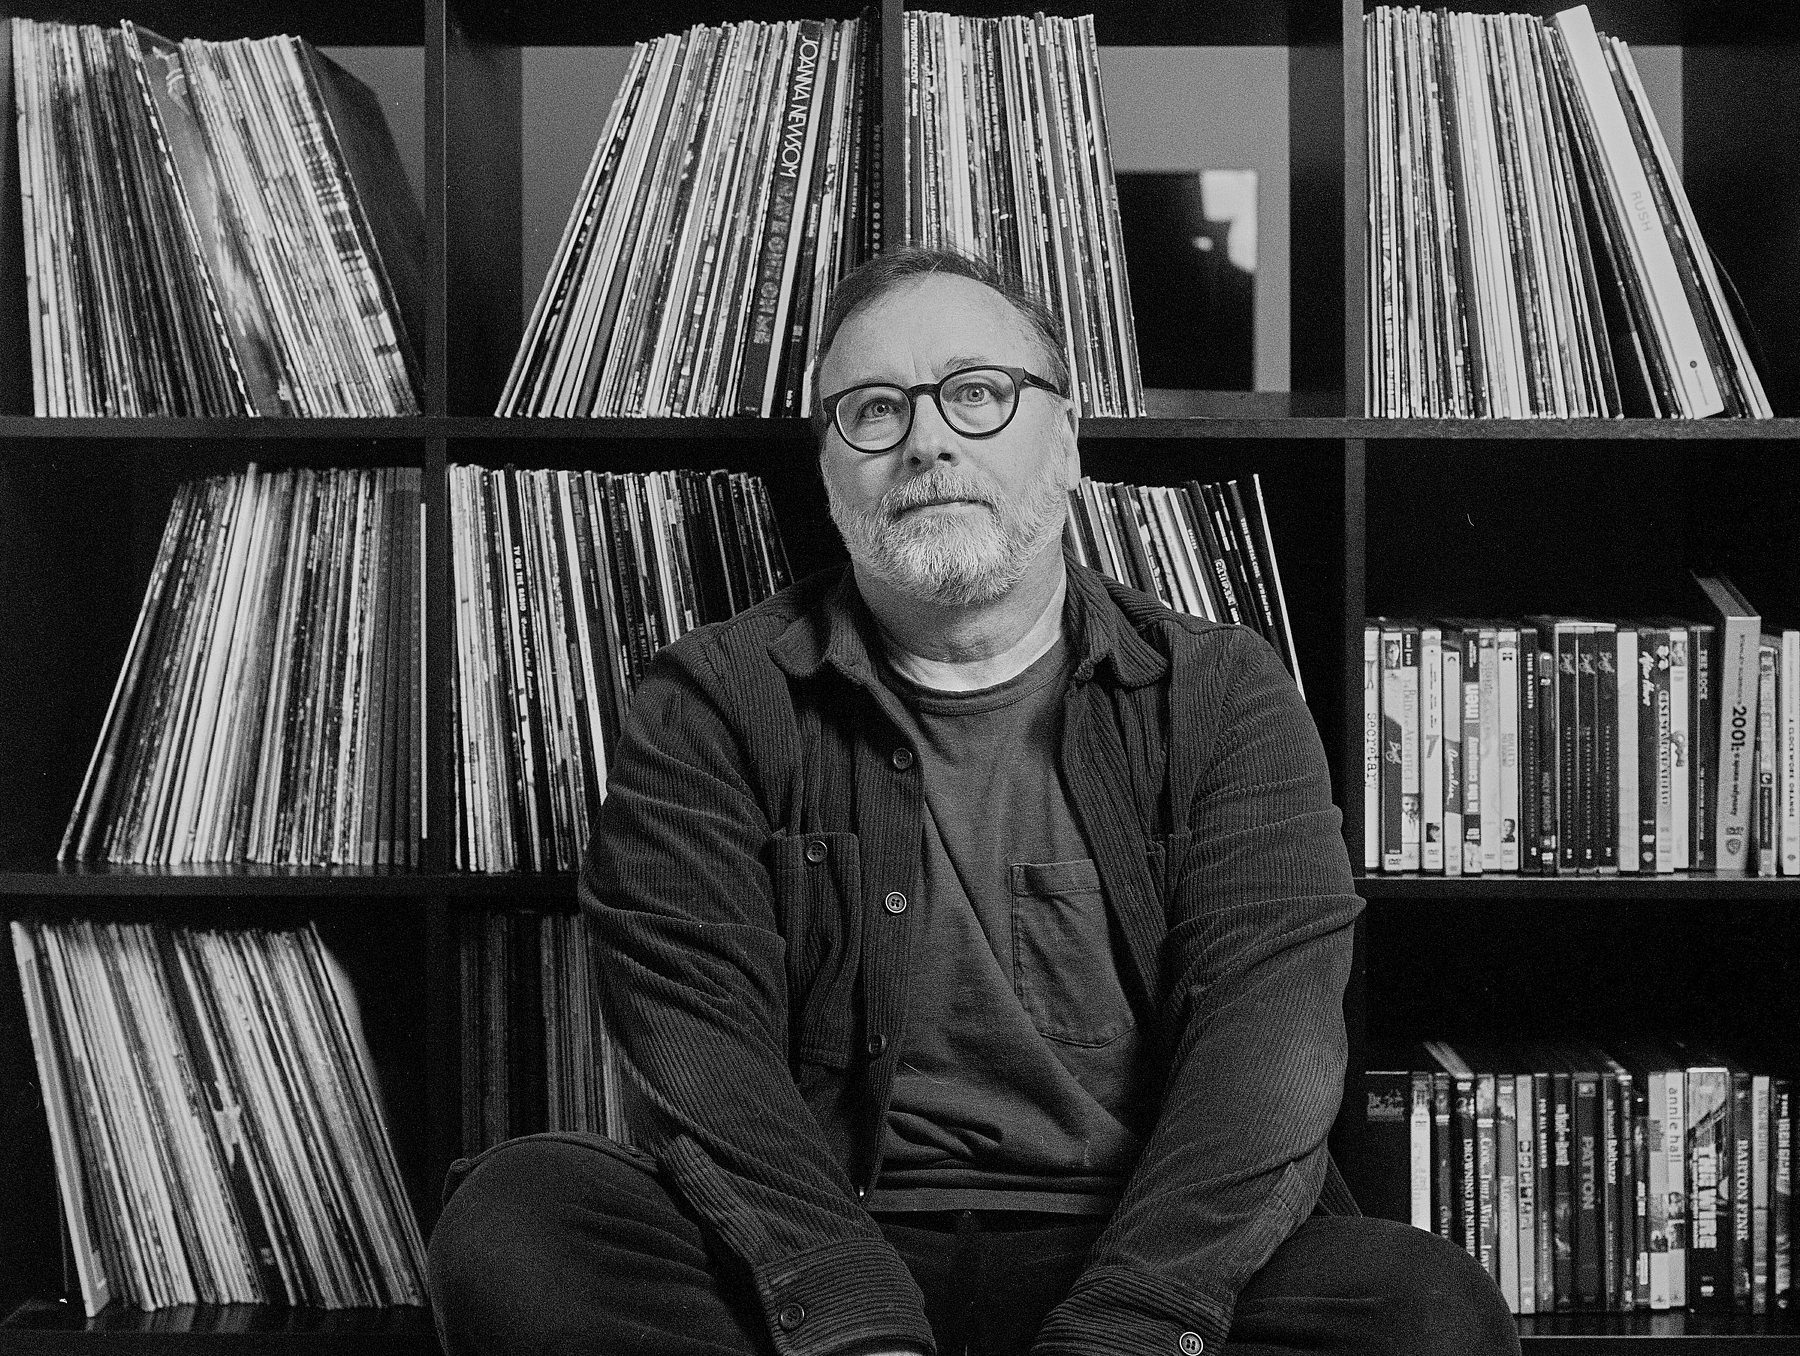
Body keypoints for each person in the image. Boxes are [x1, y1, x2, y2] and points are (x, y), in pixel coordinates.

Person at [428, 247, 1518, 1356]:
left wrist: (1126, 1328)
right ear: (829, 467)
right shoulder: (712, 701)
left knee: (1427, 1313)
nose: (928, 440)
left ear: (1067, 438)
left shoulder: (1220, 693)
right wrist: (858, 1328)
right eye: (875, 409)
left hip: (1135, 1245)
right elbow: (699, 1055)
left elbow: (1271, 1052)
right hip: (812, 1247)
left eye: (978, 393)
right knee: (520, 1223)